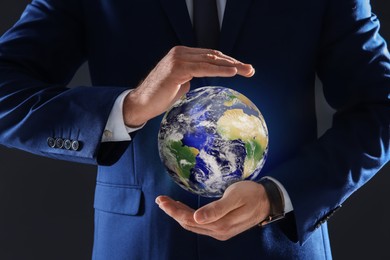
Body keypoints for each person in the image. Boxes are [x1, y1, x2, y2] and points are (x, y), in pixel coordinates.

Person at [0, 0, 389, 259]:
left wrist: (279, 196)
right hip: (138, 246)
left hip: (280, 245)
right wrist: (131, 105)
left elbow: (381, 105)